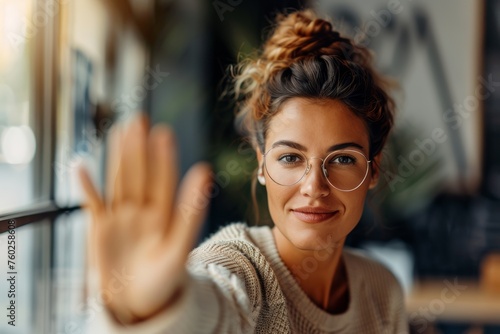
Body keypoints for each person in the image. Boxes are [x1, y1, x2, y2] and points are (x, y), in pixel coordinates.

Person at [78, 9, 408, 334]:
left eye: (342, 159)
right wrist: (151, 309)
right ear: (262, 165)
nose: (314, 186)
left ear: (373, 168)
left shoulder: (382, 289)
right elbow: (212, 308)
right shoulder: (240, 268)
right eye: (291, 158)